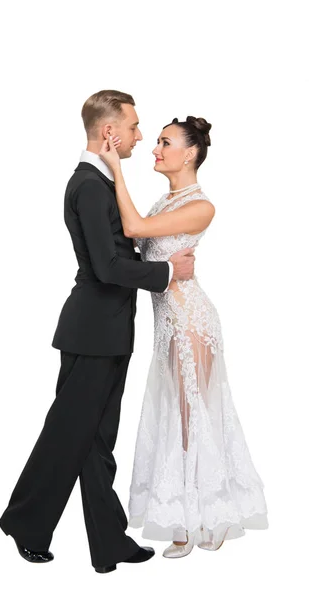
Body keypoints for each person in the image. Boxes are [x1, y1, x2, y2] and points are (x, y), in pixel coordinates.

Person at [0, 90, 196, 574]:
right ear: (110, 132)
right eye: (133, 126)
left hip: (108, 330)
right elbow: (108, 267)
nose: (139, 135)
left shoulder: (104, 181)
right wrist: (168, 274)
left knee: (95, 440)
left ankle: (109, 543)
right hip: (91, 330)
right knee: (67, 435)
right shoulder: (88, 185)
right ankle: (24, 522)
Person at [99, 116, 268, 558]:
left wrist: (116, 167)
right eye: (154, 141)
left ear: (190, 153)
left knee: (192, 416)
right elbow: (134, 242)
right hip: (165, 323)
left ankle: (196, 522)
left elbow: (133, 229)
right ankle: (188, 519)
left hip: (192, 320)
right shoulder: (162, 201)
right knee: (175, 411)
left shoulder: (201, 206)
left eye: (165, 142)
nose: (155, 149)